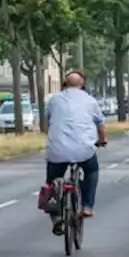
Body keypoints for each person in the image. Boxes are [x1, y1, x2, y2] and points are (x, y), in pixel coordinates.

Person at [42, 69, 107, 232]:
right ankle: (86, 206)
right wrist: (101, 141)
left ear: (64, 84)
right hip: (84, 150)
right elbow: (101, 126)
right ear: (82, 85)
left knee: (51, 181)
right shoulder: (90, 101)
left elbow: (46, 124)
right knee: (92, 171)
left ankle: (56, 217)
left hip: (57, 150)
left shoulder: (54, 100)